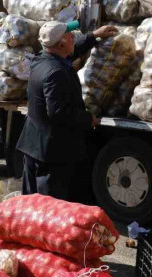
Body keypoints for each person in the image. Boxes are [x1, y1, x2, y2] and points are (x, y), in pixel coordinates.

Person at [17, 21, 117, 200]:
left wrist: (93, 36)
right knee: (48, 206)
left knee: (29, 203)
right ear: (61, 44)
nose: (73, 36)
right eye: (69, 35)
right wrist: (88, 119)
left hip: (34, 145)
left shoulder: (41, 60)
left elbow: (70, 53)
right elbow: (59, 113)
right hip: (51, 153)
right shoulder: (56, 73)